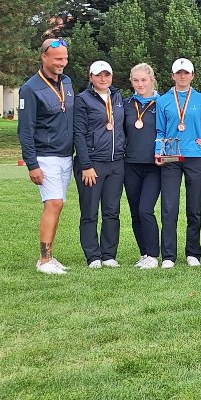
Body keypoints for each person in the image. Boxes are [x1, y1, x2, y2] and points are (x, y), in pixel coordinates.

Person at [18, 38, 75, 275]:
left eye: (65, 58)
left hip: (66, 156)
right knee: (53, 203)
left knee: (58, 204)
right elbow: (25, 130)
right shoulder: (30, 89)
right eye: (58, 58)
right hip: (45, 156)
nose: (63, 62)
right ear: (44, 57)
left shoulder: (68, 82)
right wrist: (32, 164)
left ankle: (50, 256)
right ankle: (43, 261)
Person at [155, 58, 201, 269]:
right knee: (169, 207)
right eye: (179, 73)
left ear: (192, 75)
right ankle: (168, 255)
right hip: (170, 156)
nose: (183, 76)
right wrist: (157, 151)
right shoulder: (163, 100)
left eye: (186, 73)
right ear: (173, 76)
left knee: (194, 207)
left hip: (195, 155)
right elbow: (159, 130)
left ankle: (193, 252)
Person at [73, 60, 126, 268]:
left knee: (112, 211)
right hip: (92, 164)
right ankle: (93, 255)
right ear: (91, 77)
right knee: (90, 211)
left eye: (107, 75)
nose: (103, 79)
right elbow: (78, 133)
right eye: (98, 75)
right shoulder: (82, 100)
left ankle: (109, 254)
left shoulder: (118, 97)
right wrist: (86, 165)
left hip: (116, 163)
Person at [123, 63, 161, 270]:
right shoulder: (127, 104)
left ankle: (154, 255)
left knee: (146, 210)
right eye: (136, 80)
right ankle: (144, 253)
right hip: (130, 165)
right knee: (135, 212)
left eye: (143, 80)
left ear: (152, 80)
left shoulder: (162, 103)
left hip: (154, 166)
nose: (140, 84)